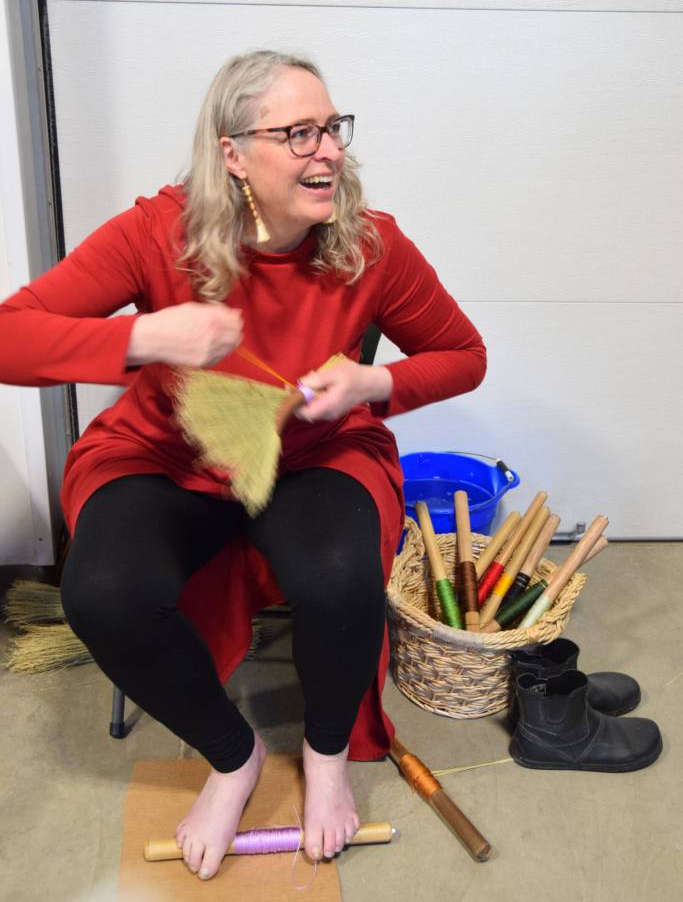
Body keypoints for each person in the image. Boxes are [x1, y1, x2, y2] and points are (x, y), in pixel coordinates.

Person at [0, 50, 486, 880]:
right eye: (297, 133)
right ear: (231, 153)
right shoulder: (159, 231)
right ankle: (234, 758)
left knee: (337, 575)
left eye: (332, 128)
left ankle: (326, 758)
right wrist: (143, 336)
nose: (327, 151)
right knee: (104, 593)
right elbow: (12, 336)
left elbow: (462, 354)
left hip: (313, 450)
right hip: (170, 455)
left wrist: (373, 381)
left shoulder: (370, 245)